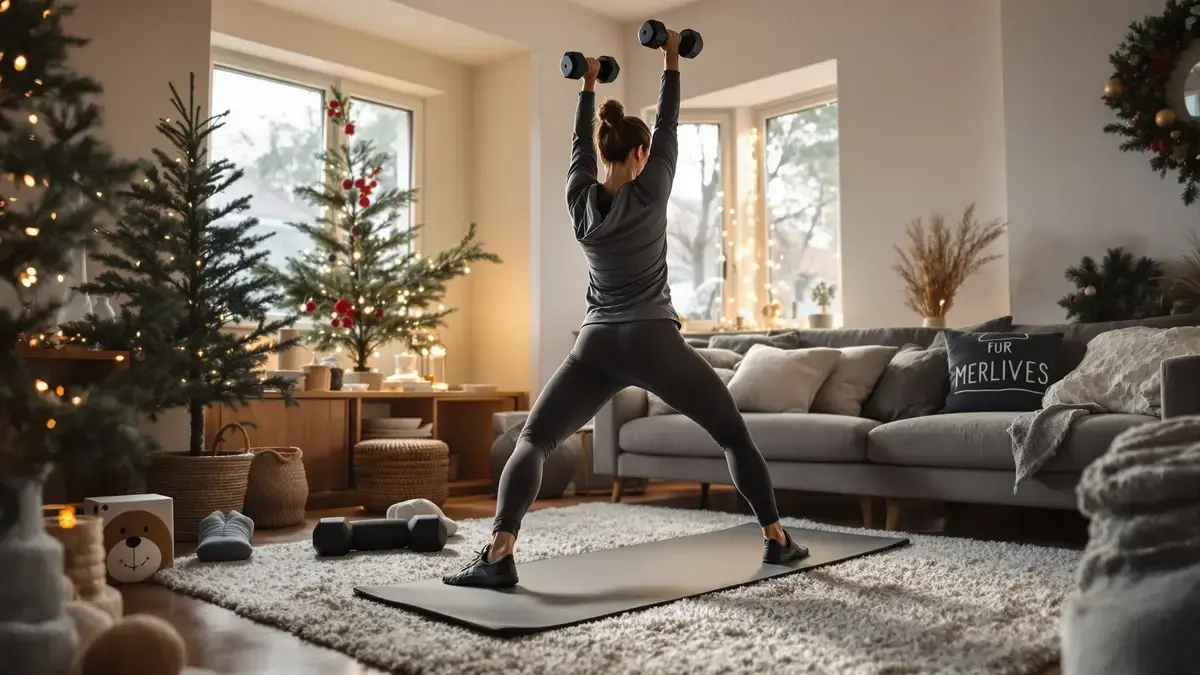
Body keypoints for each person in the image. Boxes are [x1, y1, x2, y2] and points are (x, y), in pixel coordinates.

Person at [444, 30, 808, 589]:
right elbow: (668, 125)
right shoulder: (653, 188)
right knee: (733, 435)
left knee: (534, 441)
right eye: (645, 152)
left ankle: (499, 552)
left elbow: (578, 148)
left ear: (604, 151)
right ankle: (777, 540)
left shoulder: (578, 200)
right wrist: (670, 59)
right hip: (654, 341)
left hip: (595, 344)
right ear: (638, 155)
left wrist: (587, 84)